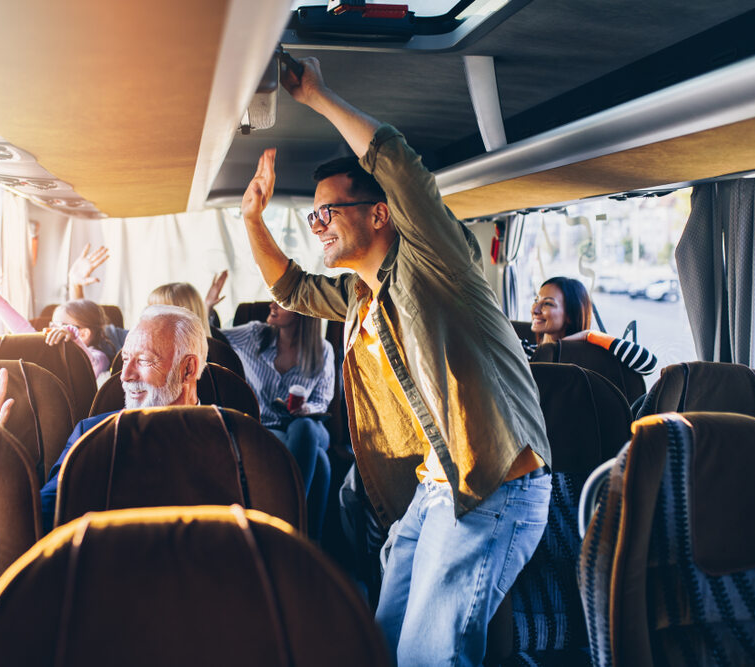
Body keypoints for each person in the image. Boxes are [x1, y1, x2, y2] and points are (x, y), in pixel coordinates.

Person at [239, 57, 551, 665]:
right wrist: (252, 219)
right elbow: (294, 289)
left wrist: (318, 95)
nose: (318, 224)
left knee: (428, 658)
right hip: (435, 490)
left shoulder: (435, 258)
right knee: (378, 644)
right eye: (314, 215)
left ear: (379, 213)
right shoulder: (361, 294)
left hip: (491, 486)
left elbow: (399, 166)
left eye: (329, 211)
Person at [37, 304, 208, 531]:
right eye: (126, 359)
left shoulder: (234, 439)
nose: (126, 376)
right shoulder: (91, 435)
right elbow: (40, 516)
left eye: (145, 361)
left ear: (187, 369)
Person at [222, 301, 334, 539]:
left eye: (282, 302)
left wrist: (304, 408)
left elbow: (322, 402)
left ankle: (287, 520)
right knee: (321, 462)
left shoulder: (322, 349)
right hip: (266, 427)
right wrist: (208, 306)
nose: (273, 305)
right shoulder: (255, 334)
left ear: (304, 310)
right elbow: (214, 337)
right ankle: (306, 542)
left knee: (305, 428)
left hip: (309, 425)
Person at [526, 276, 658, 374]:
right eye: (536, 300)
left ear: (570, 315)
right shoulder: (525, 352)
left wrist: (590, 335)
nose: (535, 309)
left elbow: (647, 362)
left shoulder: (593, 357)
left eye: (548, 303)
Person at [0, 291, 110, 378]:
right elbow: (23, 330)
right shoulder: (50, 348)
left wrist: (72, 335)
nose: (52, 329)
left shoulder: (100, 356)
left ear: (83, 334)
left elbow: (90, 363)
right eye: (52, 324)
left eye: (58, 325)